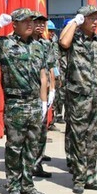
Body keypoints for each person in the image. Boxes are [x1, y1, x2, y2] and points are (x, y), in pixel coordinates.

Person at [0, 8, 49, 194]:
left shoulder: (38, 46)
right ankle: (13, 185)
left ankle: (27, 184)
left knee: (31, 147)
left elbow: (43, 75)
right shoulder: (5, 43)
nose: (30, 24)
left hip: (34, 103)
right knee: (14, 147)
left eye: (31, 21)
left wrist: (44, 102)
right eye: (25, 21)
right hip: (16, 103)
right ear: (15, 24)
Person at [59, 5, 97, 194]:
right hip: (78, 97)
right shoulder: (74, 38)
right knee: (78, 138)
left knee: (93, 138)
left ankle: (91, 176)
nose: (95, 22)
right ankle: (79, 178)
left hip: (95, 96)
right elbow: (63, 42)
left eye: (96, 18)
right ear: (82, 20)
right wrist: (74, 23)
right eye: (91, 18)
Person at [31, 13, 56, 178]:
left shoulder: (46, 44)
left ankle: (37, 164)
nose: (40, 25)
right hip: (29, 93)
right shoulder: (24, 43)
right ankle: (27, 165)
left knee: (41, 131)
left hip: (43, 93)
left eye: (43, 23)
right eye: (37, 22)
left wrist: (52, 88)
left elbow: (51, 67)